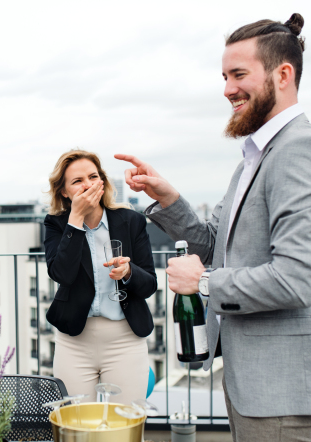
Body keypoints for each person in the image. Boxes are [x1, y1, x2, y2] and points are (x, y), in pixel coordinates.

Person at [117, 13, 311, 441]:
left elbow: (297, 279)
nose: (227, 89)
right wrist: (166, 197)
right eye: (224, 76)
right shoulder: (257, 156)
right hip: (252, 386)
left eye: (239, 74)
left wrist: (203, 283)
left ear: (283, 74)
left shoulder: (298, 150)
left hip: (282, 399)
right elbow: (212, 241)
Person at [43, 149, 157, 404]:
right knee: (75, 425)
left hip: (124, 339)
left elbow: (150, 284)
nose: (88, 185)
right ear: (64, 191)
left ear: (102, 181)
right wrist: (75, 219)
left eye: (93, 176)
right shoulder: (56, 224)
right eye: (77, 181)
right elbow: (61, 273)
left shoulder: (131, 221)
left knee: (124, 424)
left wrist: (128, 272)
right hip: (75, 342)